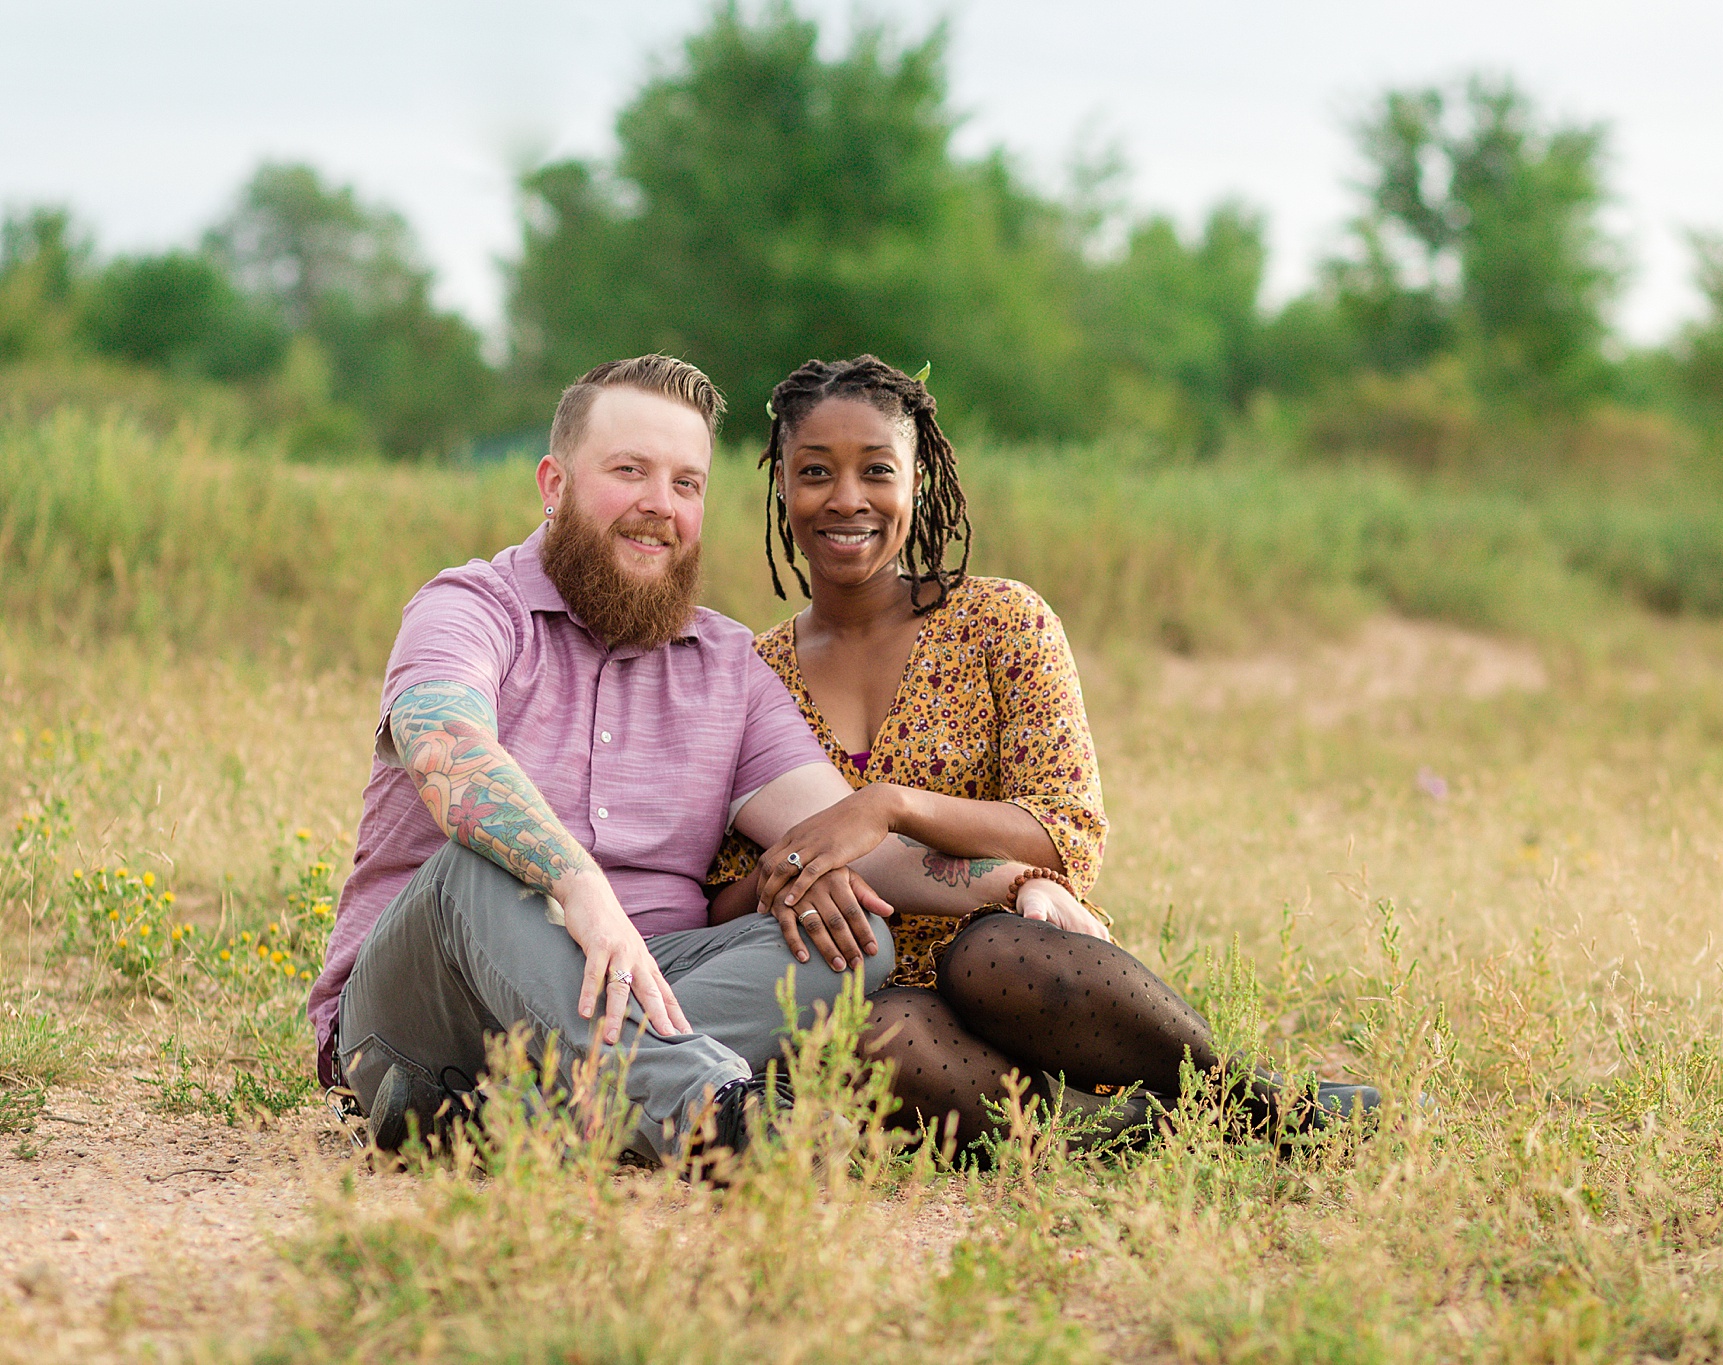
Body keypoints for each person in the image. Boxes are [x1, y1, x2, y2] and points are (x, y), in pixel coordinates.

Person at [309, 355, 1095, 1160]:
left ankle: (529, 1114)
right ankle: (708, 1108)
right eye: (629, 471)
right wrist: (576, 883)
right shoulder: (471, 608)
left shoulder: (727, 663)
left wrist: (1021, 881)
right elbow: (449, 751)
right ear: (554, 484)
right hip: (426, 1015)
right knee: (478, 862)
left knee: (854, 938)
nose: (660, 505)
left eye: (687, 483)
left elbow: (850, 840)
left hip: (633, 990)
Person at [707, 355, 1380, 1157]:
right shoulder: (751, 670)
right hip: (875, 986)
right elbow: (718, 900)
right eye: (815, 472)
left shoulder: (1002, 621)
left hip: (1024, 960)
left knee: (990, 956)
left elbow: (1066, 833)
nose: (846, 499)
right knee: (865, 1032)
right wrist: (798, 872)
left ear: (917, 482)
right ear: (780, 484)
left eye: (876, 470)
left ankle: (1250, 1097)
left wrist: (887, 803)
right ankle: (1128, 1132)